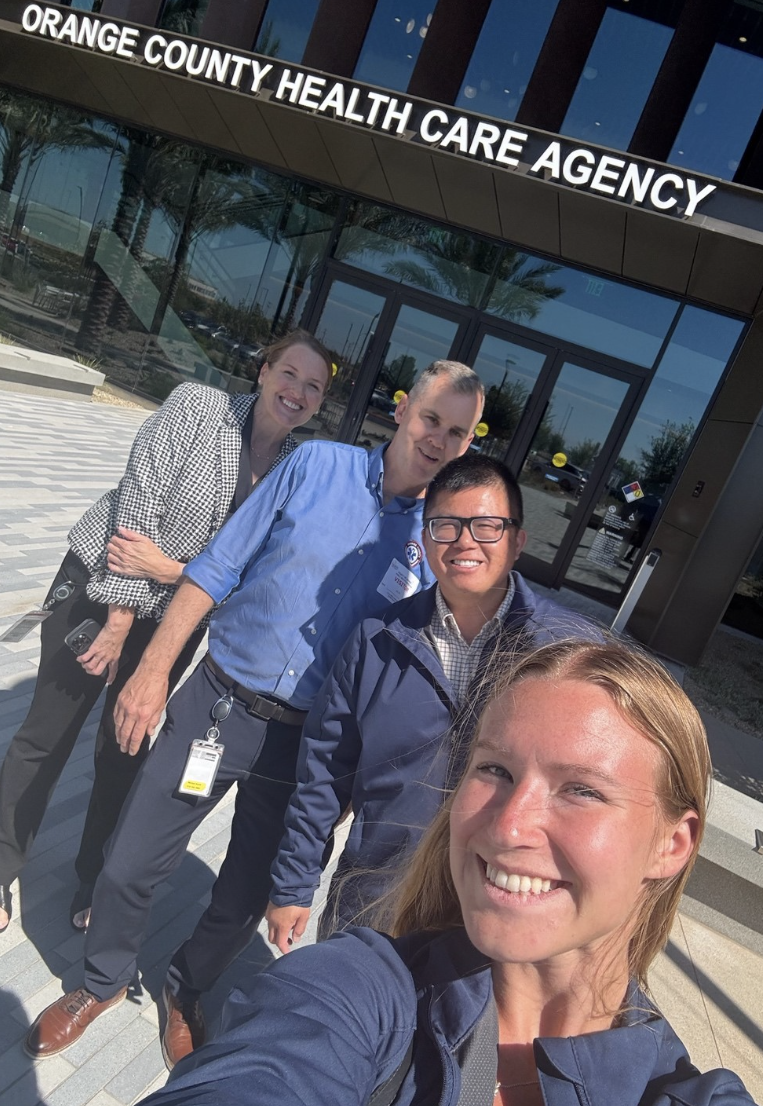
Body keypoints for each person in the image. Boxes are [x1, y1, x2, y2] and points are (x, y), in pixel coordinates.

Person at [25, 360, 485, 1066]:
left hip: (307, 746)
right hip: (218, 703)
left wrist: (353, 781)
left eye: (457, 432)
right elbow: (217, 566)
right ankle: (103, 981)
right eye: (431, 419)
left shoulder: (436, 542)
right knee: (128, 861)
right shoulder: (316, 468)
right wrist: (151, 669)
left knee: (242, 897)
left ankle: (185, 988)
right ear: (401, 411)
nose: (438, 439)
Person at [133, 639, 757, 1106]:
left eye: (582, 791)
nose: (510, 826)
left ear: (672, 845)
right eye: (495, 771)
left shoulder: (682, 1091)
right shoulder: (359, 992)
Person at [0, 330, 332, 936]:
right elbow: (135, 511)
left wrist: (173, 570)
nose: (298, 392)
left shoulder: (295, 470)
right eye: (290, 374)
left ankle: (91, 876)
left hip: (172, 622)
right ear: (263, 370)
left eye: (314, 387)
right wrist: (121, 615)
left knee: (122, 746)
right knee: (45, 735)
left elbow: (257, 574)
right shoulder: (196, 408)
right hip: (99, 592)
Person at [267, 454, 598, 951]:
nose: (465, 542)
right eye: (445, 526)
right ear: (424, 540)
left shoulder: (567, 652)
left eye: (487, 526)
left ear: (517, 541)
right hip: (376, 900)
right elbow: (324, 772)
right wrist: (293, 884)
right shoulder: (377, 640)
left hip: (505, 906)